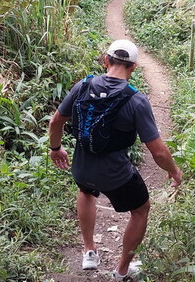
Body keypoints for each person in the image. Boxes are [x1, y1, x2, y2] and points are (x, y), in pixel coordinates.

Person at [48, 39, 183, 281]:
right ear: (133, 68)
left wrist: (56, 148)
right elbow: (159, 152)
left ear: (106, 60)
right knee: (141, 209)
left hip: (82, 168)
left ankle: (89, 251)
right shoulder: (135, 100)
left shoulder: (82, 86)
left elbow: (56, 121)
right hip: (115, 174)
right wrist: (174, 171)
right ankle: (121, 270)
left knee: (86, 190)